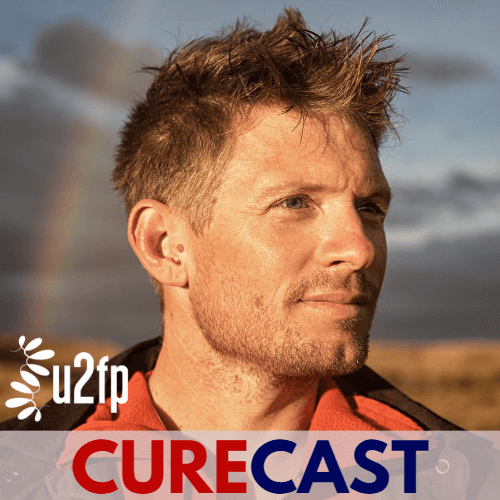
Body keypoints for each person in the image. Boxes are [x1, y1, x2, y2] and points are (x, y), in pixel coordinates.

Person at [1, 8, 458, 432]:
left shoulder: (460, 477)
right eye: (294, 203)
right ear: (163, 244)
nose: (360, 249)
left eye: (370, 208)